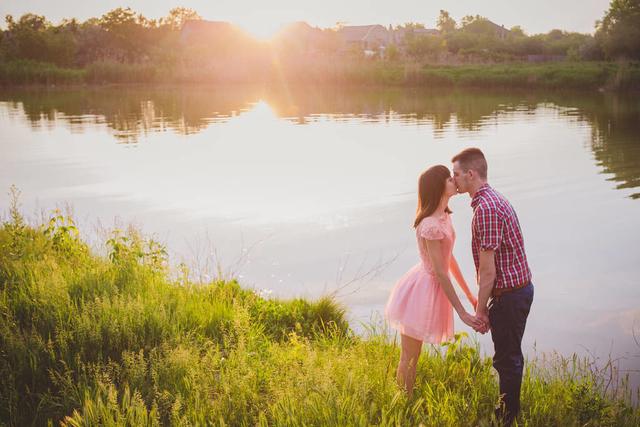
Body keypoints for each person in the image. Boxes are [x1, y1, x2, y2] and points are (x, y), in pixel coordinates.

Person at [451, 147, 534, 426]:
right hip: (516, 291)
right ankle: (510, 413)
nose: (454, 180)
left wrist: (480, 310)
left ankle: (506, 419)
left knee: (507, 360)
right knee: (510, 357)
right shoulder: (493, 199)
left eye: (457, 175)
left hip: (510, 295)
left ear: (471, 174)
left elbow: (488, 271)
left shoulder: (486, 209)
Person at [385, 165, 482, 397]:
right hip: (421, 290)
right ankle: (404, 403)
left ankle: (406, 399)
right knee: (409, 355)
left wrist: (470, 295)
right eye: (449, 178)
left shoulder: (444, 217)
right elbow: (440, 272)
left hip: (434, 285)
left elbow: (449, 260)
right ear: (438, 186)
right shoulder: (429, 224)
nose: (454, 180)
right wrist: (462, 312)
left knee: (413, 356)